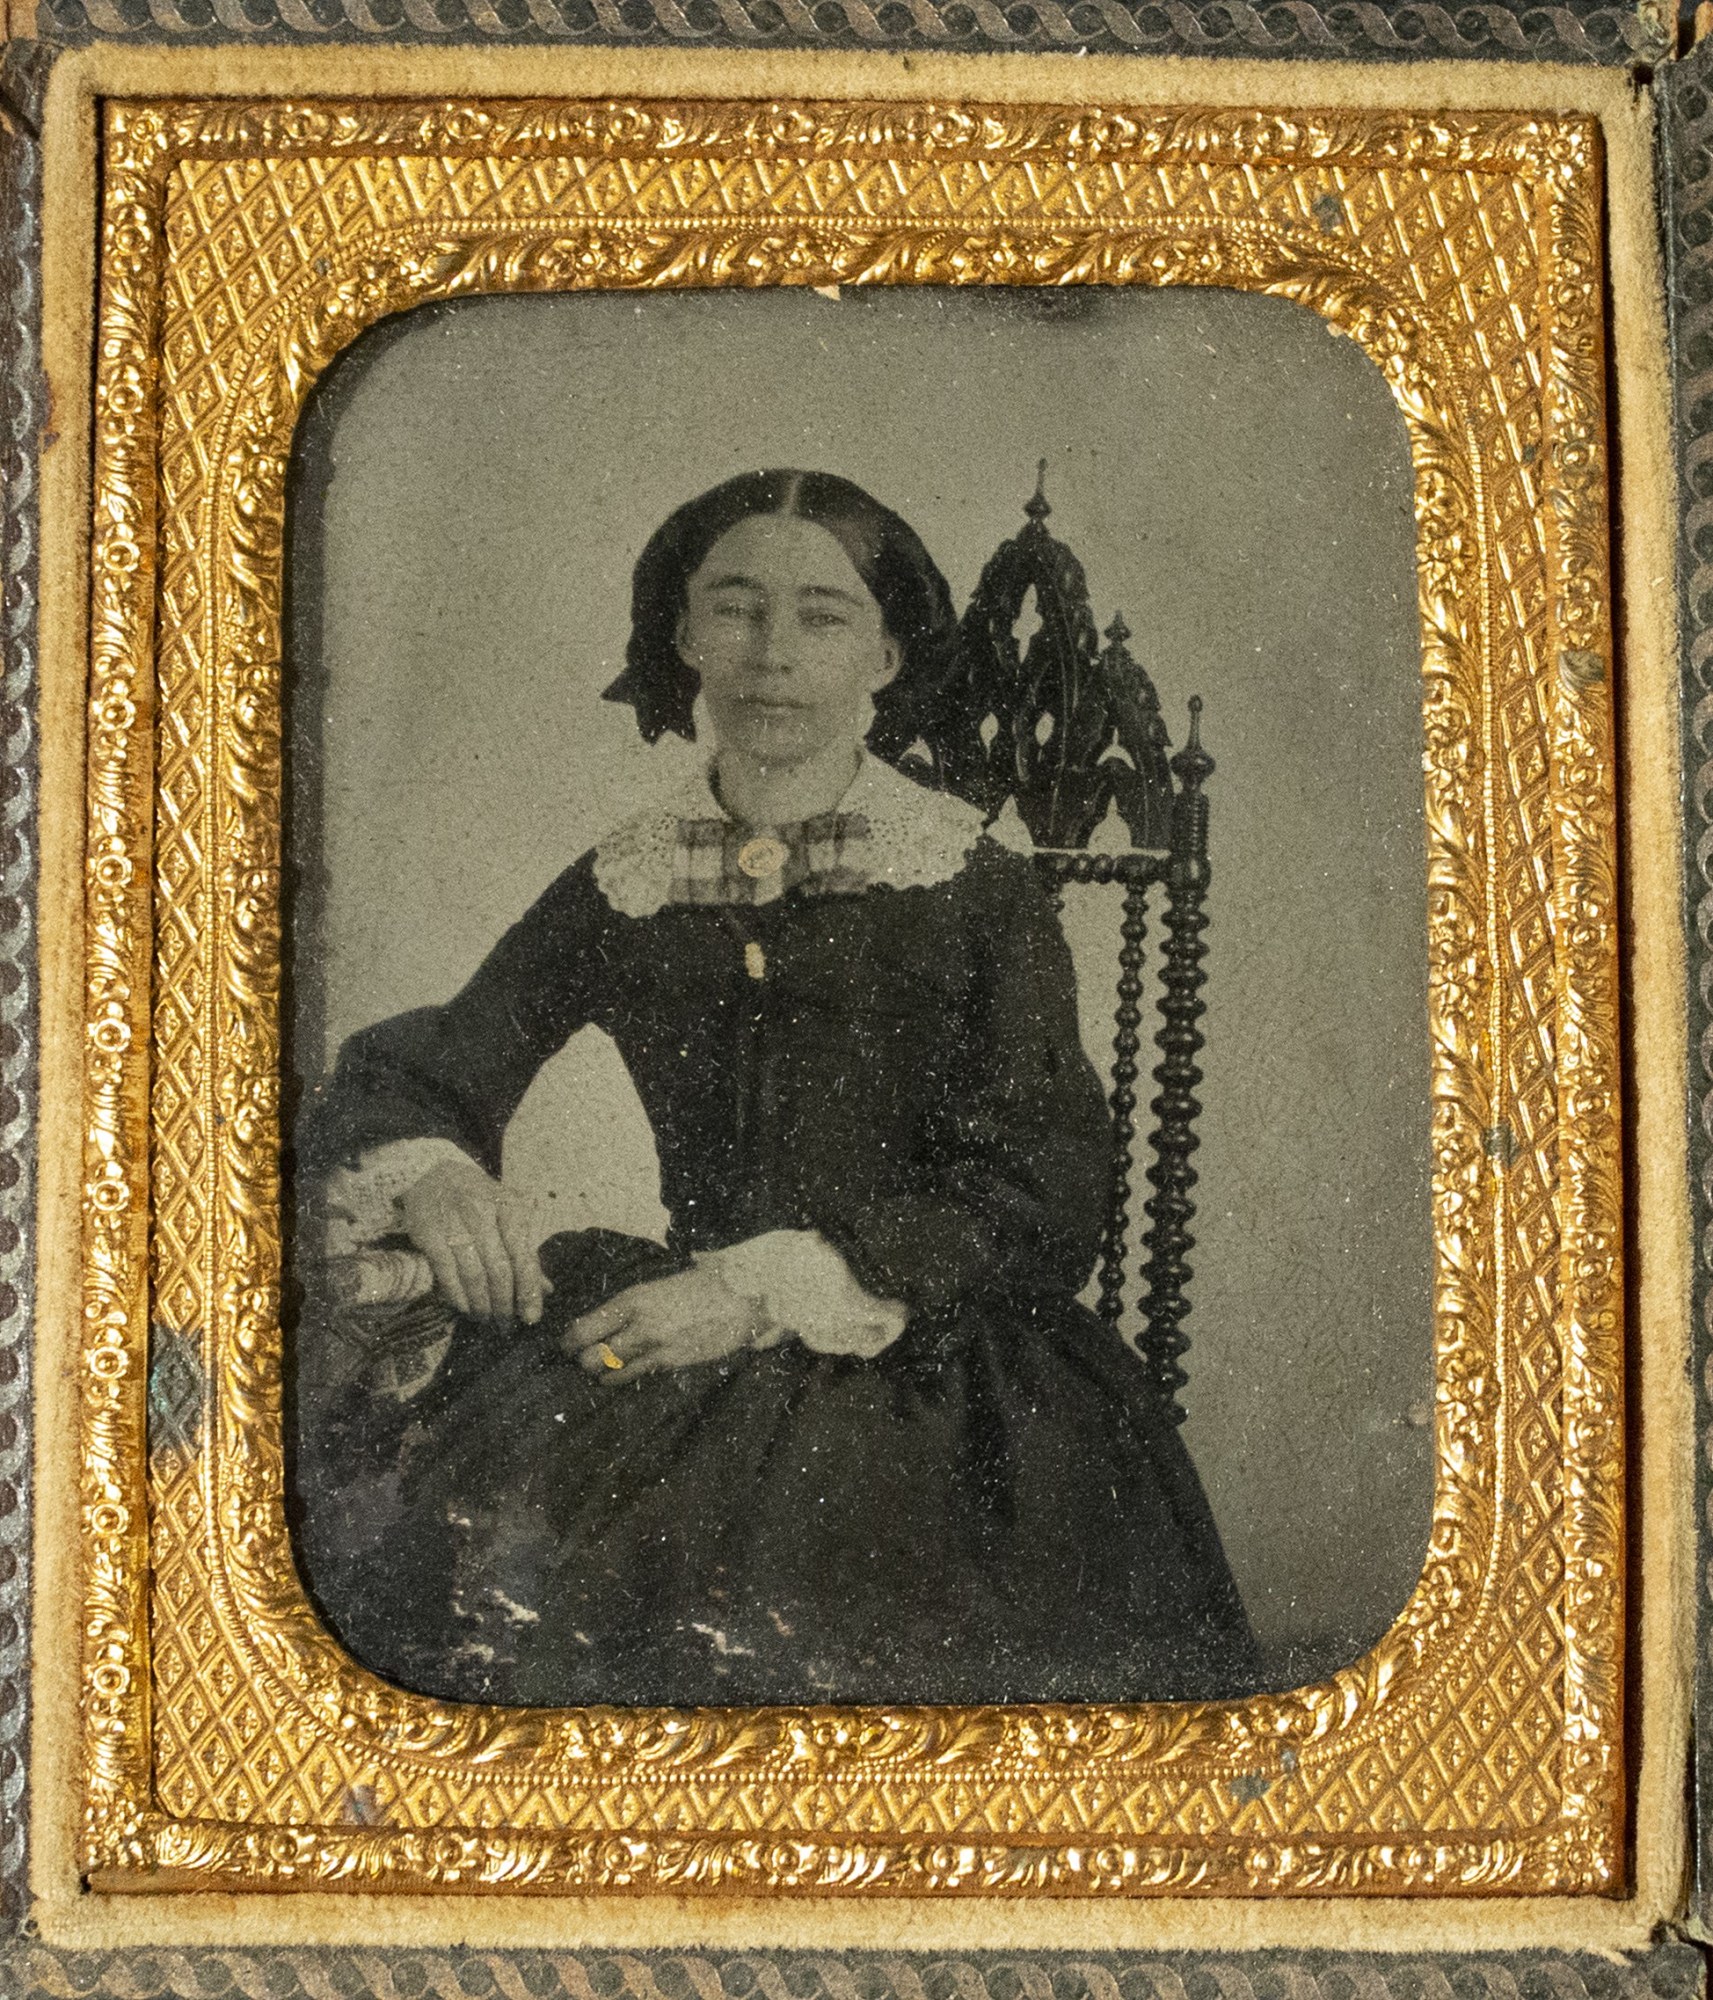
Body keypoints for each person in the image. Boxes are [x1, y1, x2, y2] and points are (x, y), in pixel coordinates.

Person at [293, 468, 1258, 1709]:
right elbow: (431, 1060)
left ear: (887, 654)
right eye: (735, 608)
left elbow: (1048, 1183)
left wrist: (763, 1290)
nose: (772, 654)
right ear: (684, 635)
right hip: (674, 1330)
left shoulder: (976, 885)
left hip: (939, 1358)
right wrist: (433, 1167)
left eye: (822, 615)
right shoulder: (631, 875)